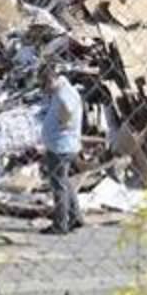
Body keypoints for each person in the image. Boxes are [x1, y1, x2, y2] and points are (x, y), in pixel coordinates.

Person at [40, 65, 84, 235]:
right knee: (65, 182)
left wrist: (62, 123)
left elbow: (67, 114)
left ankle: (60, 225)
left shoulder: (64, 95)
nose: (45, 90)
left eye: (45, 86)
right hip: (66, 145)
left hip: (60, 147)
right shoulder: (65, 90)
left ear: (51, 80)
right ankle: (76, 217)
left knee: (58, 186)